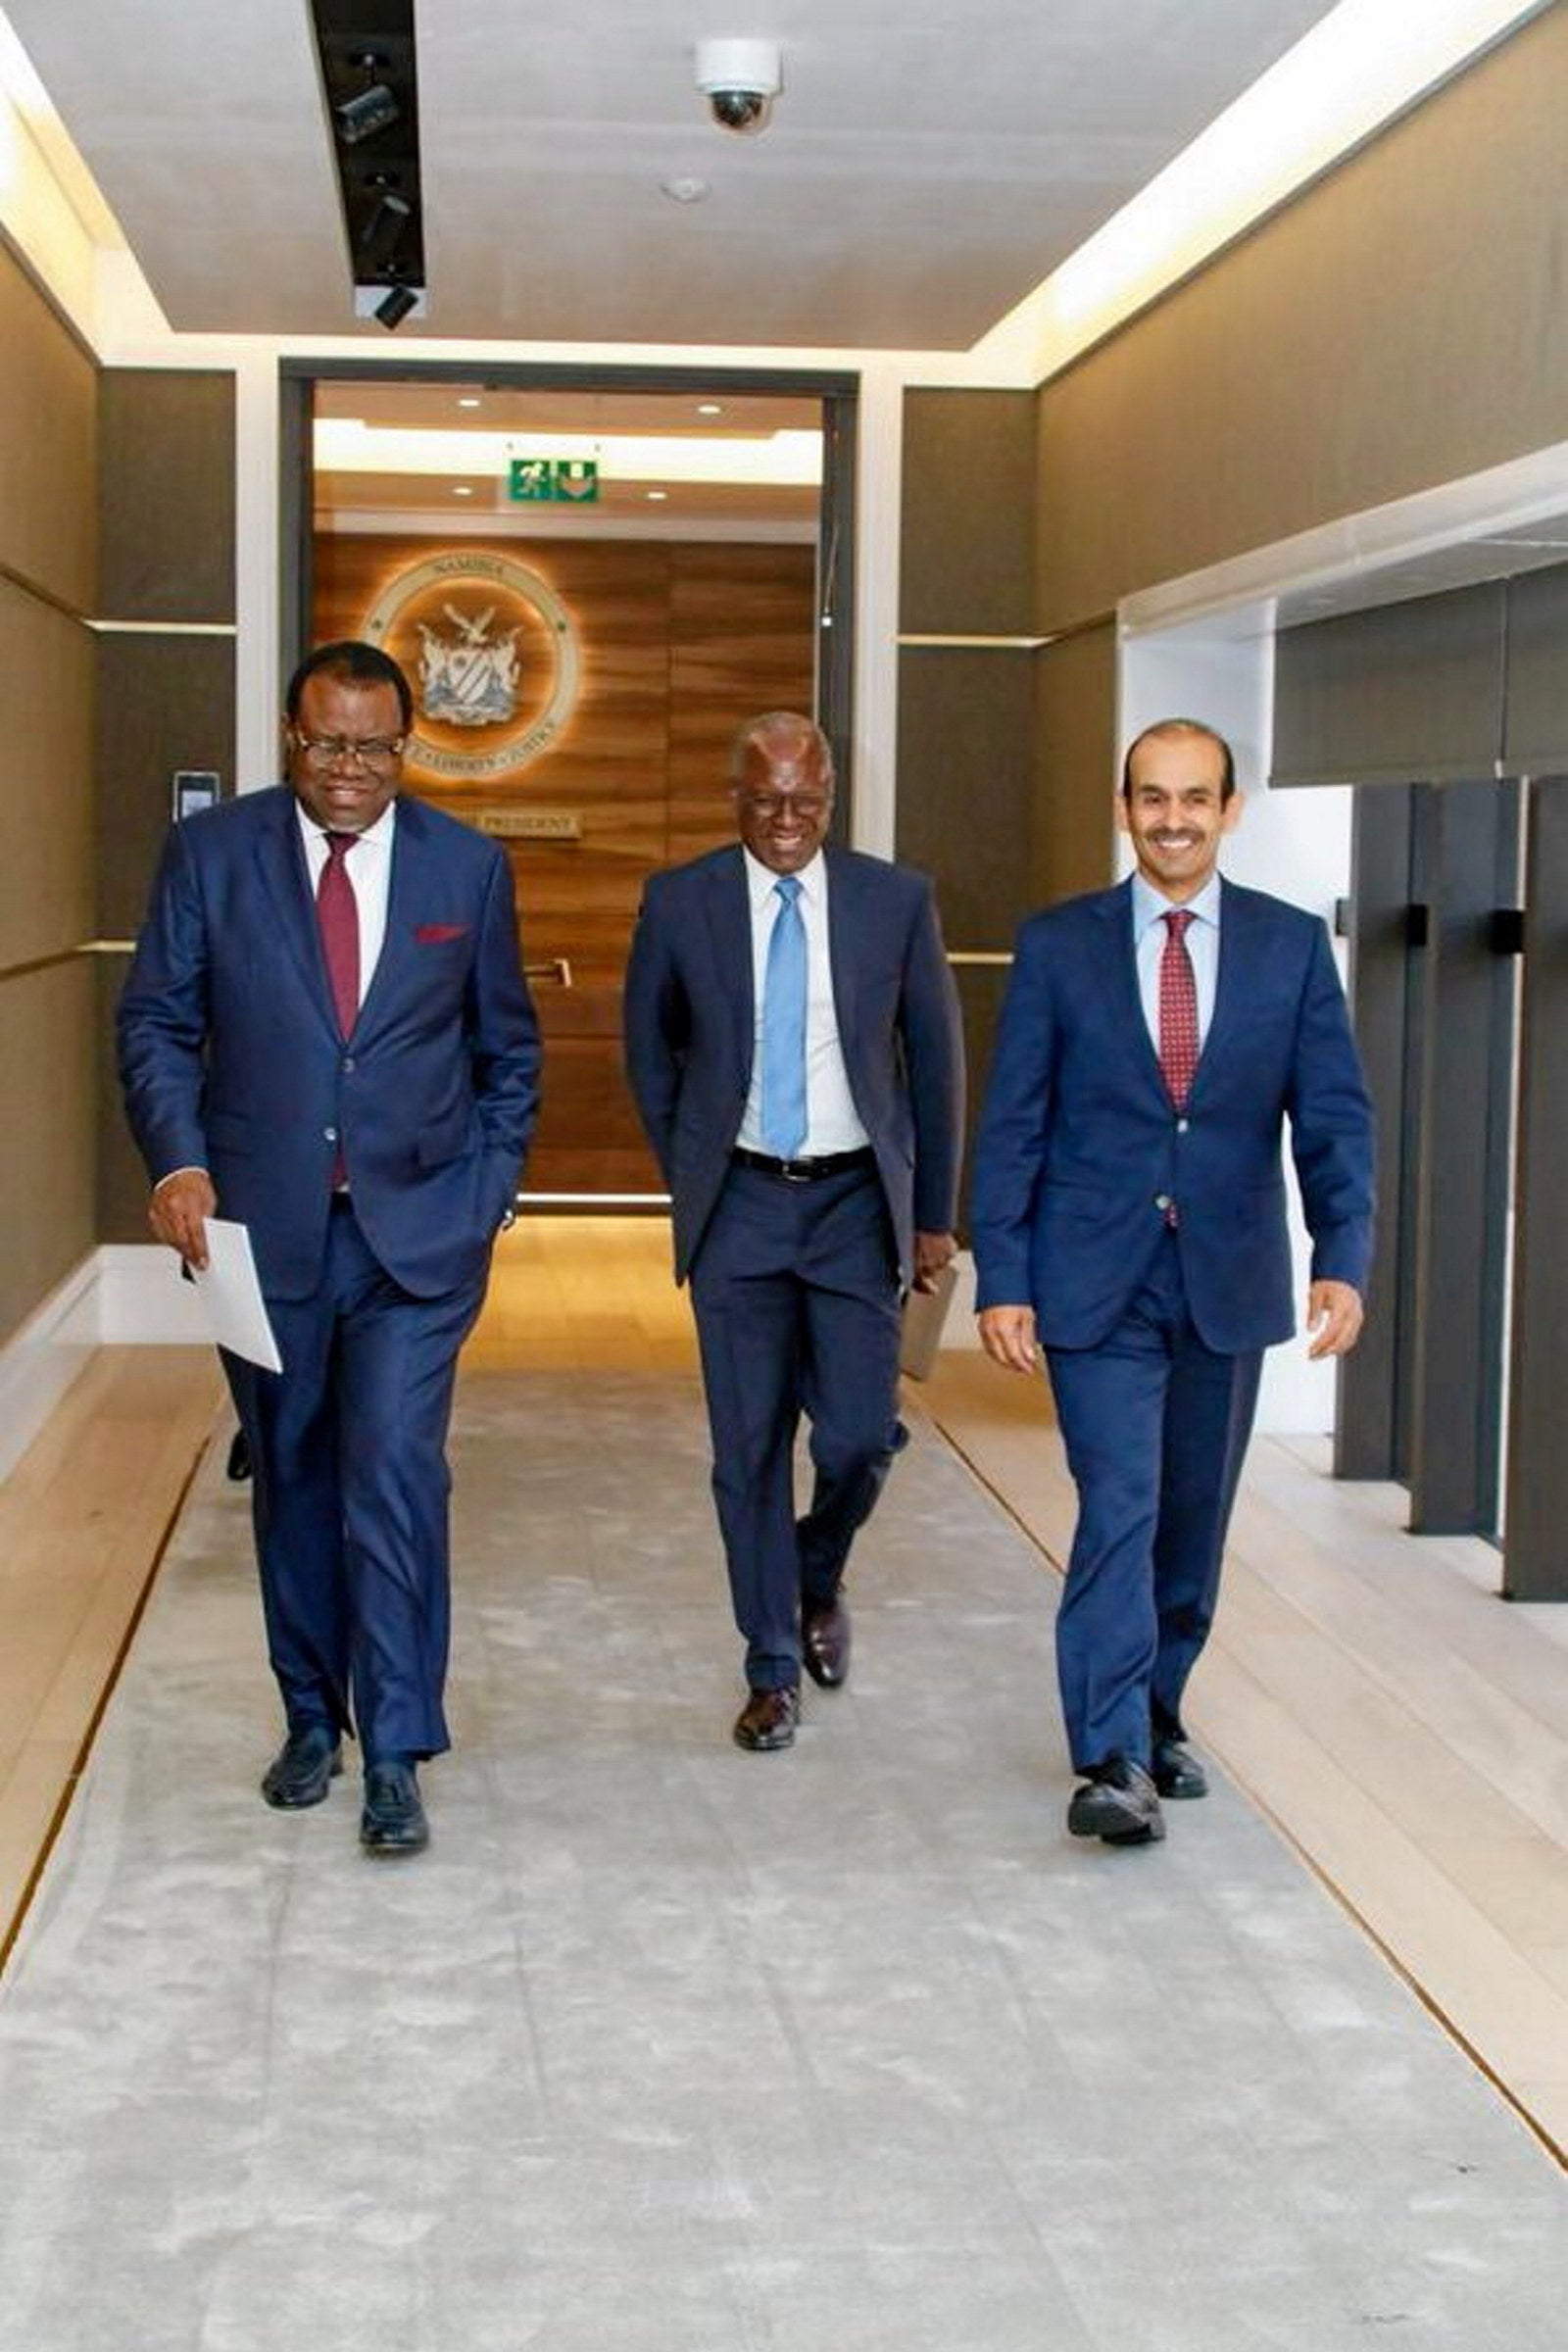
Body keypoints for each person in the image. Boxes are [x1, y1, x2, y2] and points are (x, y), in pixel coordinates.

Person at [119, 640, 540, 1857]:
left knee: (395, 1470)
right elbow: (156, 1021)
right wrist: (179, 1163)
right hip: (264, 1234)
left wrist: (486, 1192)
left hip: (419, 1237)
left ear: (407, 747)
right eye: (328, 744)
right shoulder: (213, 856)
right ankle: (313, 1717)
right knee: (294, 1472)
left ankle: (397, 1747)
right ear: (290, 739)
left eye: (375, 747)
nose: (350, 768)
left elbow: (506, 1050)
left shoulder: (467, 866)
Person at [970, 717, 1373, 1846]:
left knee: (1190, 1525)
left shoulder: (1291, 948)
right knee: (1119, 1506)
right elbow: (1012, 1122)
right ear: (1124, 808)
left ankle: (1155, 1708)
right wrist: (1003, 1274)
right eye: (1152, 797)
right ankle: (1110, 1758)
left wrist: (1341, 1257)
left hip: (1225, 1278)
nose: (1173, 819)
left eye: (1195, 798)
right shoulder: (1059, 945)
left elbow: (1333, 1117)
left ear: (1229, 810)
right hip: (1093, 1280)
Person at [624, 711, 964, 1751]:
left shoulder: (893, 902)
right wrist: (694, 1167)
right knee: (748, 1447)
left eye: (805, 802)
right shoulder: (679, 902)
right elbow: (650, 1051)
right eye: (766, 800)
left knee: (859, 1433)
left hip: (854, 1204)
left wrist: (934, 1216)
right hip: (739, 1207)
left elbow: (936, 1059)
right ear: (735, 798)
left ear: (831, 799)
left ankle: (817, 1568)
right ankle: (771, 1664)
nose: (785, 820)